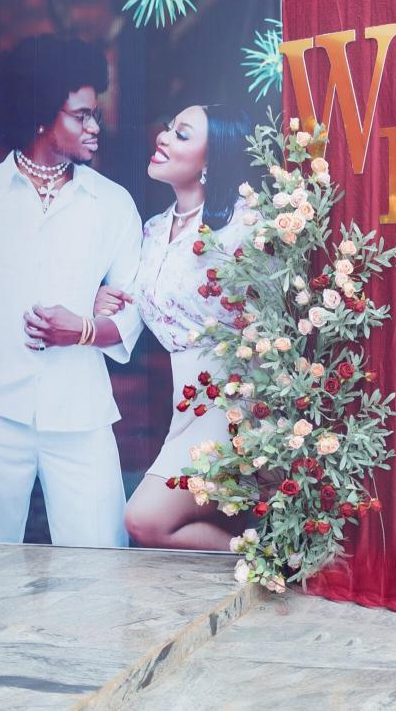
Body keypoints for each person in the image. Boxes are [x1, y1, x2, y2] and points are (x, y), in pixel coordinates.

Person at [0, 33, 143, 547]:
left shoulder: (113, 205)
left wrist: (82, 329)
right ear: (43, 114)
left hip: (82, 413)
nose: (95, 127)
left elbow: (134, 308)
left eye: (96, 114)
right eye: (81, 116)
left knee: (101, 565)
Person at [96, 104, 254, 550]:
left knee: (144, 519)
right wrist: (103, 300)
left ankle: (268, 561)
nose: (163, 137)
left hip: (232, 402)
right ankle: (268, 558)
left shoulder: (245, 225)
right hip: (184, 407)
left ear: (211, 160)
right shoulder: (153, 230)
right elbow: (134, 307)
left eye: (181, 134)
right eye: (167, 128)